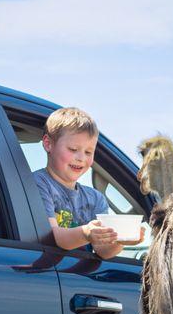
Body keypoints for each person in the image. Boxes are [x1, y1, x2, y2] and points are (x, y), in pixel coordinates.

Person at [33, 107, 145, 259]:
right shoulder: (39, 184)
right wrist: (86, 233)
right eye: (73, 149)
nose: (81, 158)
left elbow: (103, 251)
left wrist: (120, 240)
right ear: (48, 144)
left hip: (79, 276)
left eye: (88, 152)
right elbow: (55, 237)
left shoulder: (95, 198)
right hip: (47, 270)